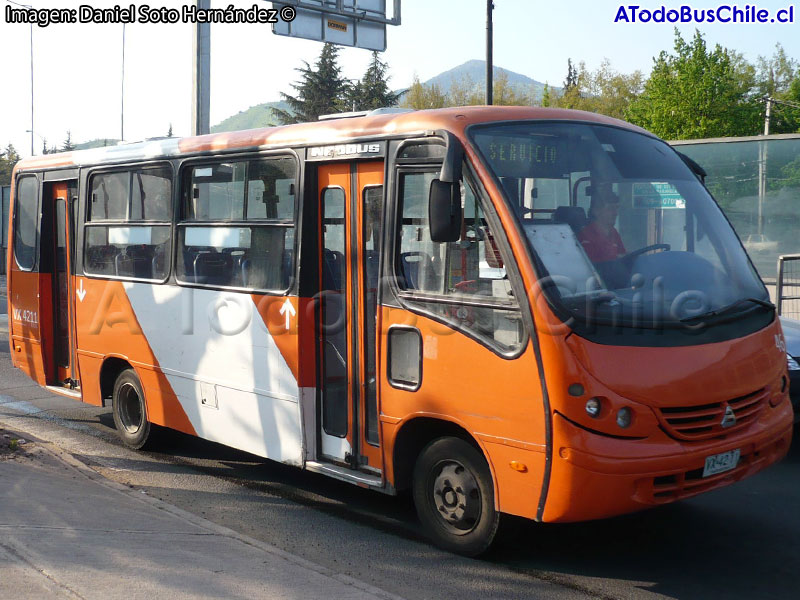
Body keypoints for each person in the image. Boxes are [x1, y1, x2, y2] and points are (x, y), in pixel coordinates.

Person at [578, 186, 626, 263]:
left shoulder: (614, 232)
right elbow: (593, 265)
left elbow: (623, 256)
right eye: (610, 208)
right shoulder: (586, 235)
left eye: (616, 208)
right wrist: (618, 258)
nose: (615, 213)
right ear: (596, 211)